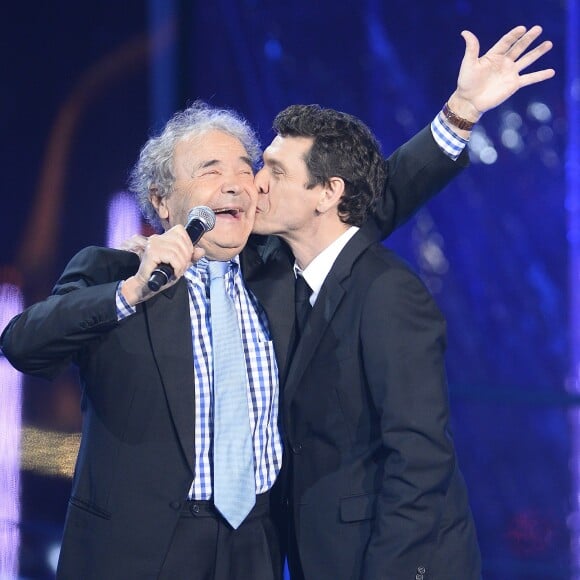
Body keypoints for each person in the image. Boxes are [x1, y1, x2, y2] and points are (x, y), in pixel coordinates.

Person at [0, 25, 553, 580]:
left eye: (247, 166)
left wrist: (459, 112)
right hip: (138, 551)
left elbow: (364, 203)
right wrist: (131, 292)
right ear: (162, 200)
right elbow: (23, 343)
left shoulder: (276, 266)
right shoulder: (112, 272)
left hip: (256, 547)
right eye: (211, 171)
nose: (241, 182)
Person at [247, 25, 554, 580]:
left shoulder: (388, 294)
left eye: (273, 170)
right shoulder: (267, 263)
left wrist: (461, 110)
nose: (253, 185)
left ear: (326, 194)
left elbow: (419, 461)